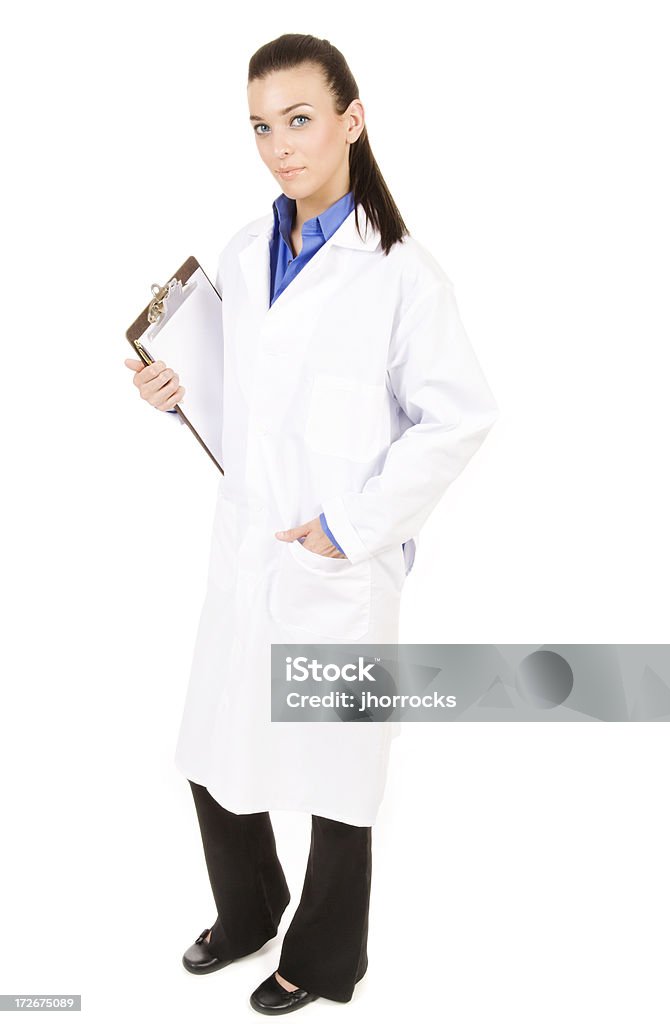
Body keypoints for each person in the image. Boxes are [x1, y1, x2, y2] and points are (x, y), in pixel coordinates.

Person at [124, 33, 499, 1015]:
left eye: (299, 119)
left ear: (350, 119)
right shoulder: (247, 255)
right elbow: (239, 400)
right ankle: (248, 910)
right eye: (260, 126)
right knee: (212, 743)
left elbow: (460, 415)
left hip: (335, 563)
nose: (279, 145)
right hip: (246, 548)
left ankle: (327, 960)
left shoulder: (402, 274)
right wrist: (176, 394)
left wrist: (351, 525)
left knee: (337, 778)